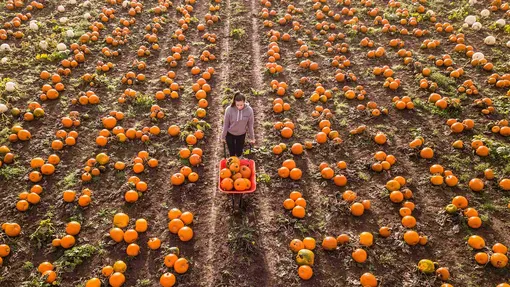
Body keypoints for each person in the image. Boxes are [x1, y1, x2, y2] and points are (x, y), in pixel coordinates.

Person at [221, 93, 255, 157]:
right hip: (230, 134)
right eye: (237, 105)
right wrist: (223, 137)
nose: (239, 107)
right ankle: (233, 162)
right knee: (232, 152)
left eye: (241, 105)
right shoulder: (229, 110)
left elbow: (250, 126)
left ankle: (239, 159)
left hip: (241, 134)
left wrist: (252, 138)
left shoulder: (249, 110)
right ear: (234, 102)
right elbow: (225, 125)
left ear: (244, 102)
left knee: (239, 151)